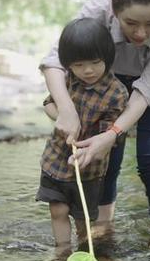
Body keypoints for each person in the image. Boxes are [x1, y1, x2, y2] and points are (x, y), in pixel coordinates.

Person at [40, 0, 150, 243]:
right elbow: (56, 60)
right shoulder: (97, 9)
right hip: (105, 77)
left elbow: (143, 94)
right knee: (104, 155)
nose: (141, 34)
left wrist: (114, 132)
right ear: (115, 11)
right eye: (131, 23)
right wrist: (67, 110)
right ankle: (103, 226)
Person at [37, 18, 128, 248]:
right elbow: (48, 104)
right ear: (68, 65)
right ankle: (62, 253)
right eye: (78, 65)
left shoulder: (116, 93)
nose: (87, 71)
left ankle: (84, 252)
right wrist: (62, 118)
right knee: (57, 210)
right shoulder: (66, 81)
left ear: (107, 57)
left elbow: (111, 133)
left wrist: (89, 141)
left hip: (88, 168)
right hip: (56, 160)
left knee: (83, 217)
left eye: (95, 63)